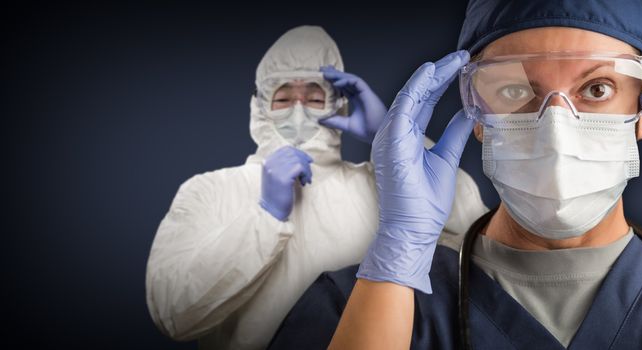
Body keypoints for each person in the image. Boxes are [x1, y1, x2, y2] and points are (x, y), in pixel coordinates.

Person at [268, 2, 642, 349]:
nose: (557, 127)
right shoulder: (351, 305)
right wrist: (398, 253)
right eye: (515, 90)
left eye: (597, 89)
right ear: (476, 116)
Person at [145, 25, 487, 349]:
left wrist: (394, 140)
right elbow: (172, 313)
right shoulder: (210, 191)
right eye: (282, 97)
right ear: (260, 105)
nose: (297, 111)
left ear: (338, 102)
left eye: (313, 97)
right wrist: (263, 220)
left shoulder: (379, 186)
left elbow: (481, 248)